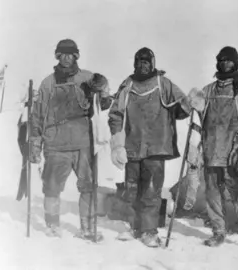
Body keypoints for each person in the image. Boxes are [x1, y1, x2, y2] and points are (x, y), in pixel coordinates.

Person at [29, 39, 112, 240]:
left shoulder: (87, 78)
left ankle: (87, 226)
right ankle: (52, 225)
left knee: (88, 185)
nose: (67, 58)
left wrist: (102, 90)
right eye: (63, 54)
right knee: (51, 186)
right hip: (55, 144)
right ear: (58, 56)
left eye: (71, 54)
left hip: (83, 143)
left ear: (76, 56)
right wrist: (35, 143)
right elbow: (37, 115)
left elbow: (104, 103)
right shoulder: (47, 83)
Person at [108, 47, 191, 247]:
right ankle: (135, 227)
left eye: (146, 61)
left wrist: (190, 103)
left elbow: (182, 109)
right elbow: (115, 114)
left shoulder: (163, 84)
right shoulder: (128, 85)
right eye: (139, 61)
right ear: (134, 63)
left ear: (152, 63)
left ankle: (149, 231)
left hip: (156, 146)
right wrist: (118, 143)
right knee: (132, 188)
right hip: (133, 146)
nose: (143, 65)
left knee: (151, 190)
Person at [190, 46, 238, 251]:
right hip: (211, 150)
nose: (225, 63)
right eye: (222, 60)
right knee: (213, 194)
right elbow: (197, 121)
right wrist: (192, 103)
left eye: (229, 60)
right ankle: (218, 231)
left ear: (236, 63)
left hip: (235, 153)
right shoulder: (208, 90)